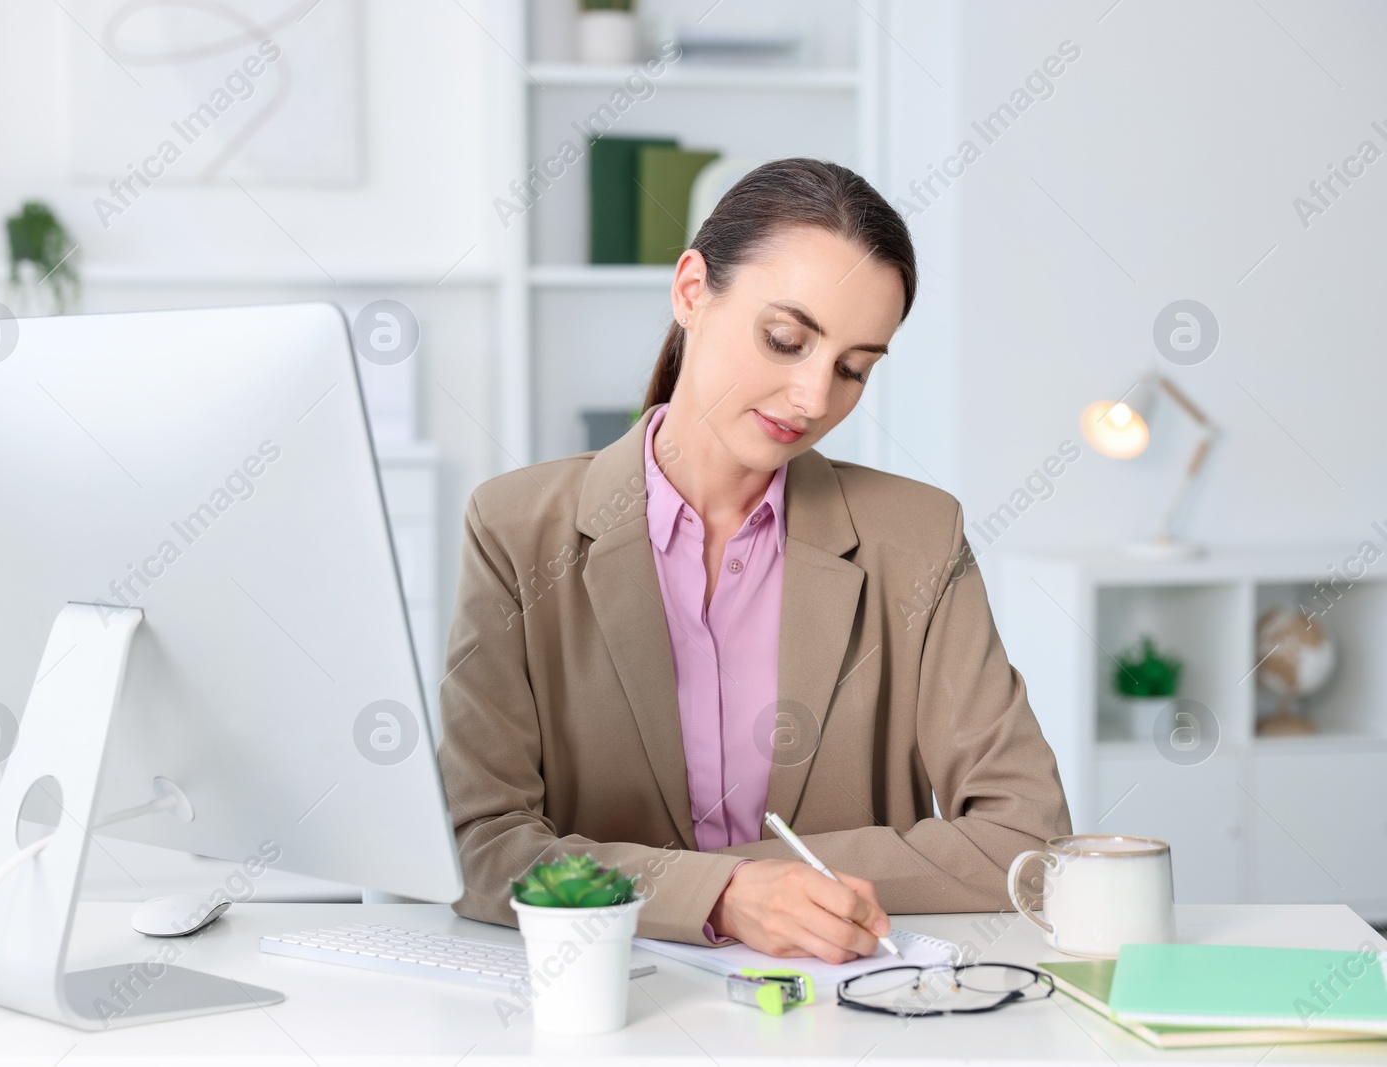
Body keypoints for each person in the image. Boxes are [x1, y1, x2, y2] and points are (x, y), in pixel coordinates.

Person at [436, 157, 1071, 962]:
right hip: (606, 1007)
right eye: (785, 339)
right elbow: (481, 847)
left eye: (853, 369)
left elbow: (1029, 844)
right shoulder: (515, 529)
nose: (814, 398)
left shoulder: (918, 537)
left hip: (844, 1015)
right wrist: (725, 897)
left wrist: (713, 886)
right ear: (692, 291)